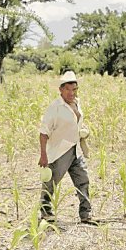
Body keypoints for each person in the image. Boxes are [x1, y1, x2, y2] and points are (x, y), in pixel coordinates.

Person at [38, 70, 97, 225]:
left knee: (83, 180)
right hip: (60, 151)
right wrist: (43, 155)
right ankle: (45, 212)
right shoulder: (55, 107)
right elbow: (43, 133)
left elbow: (75, 123)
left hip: (75, 149)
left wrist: (83, 132)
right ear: (61, 90)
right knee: (51, 183)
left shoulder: (77, 103)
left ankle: (86, 214)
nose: (71, 93)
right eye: (68, 89)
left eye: (74, 89)